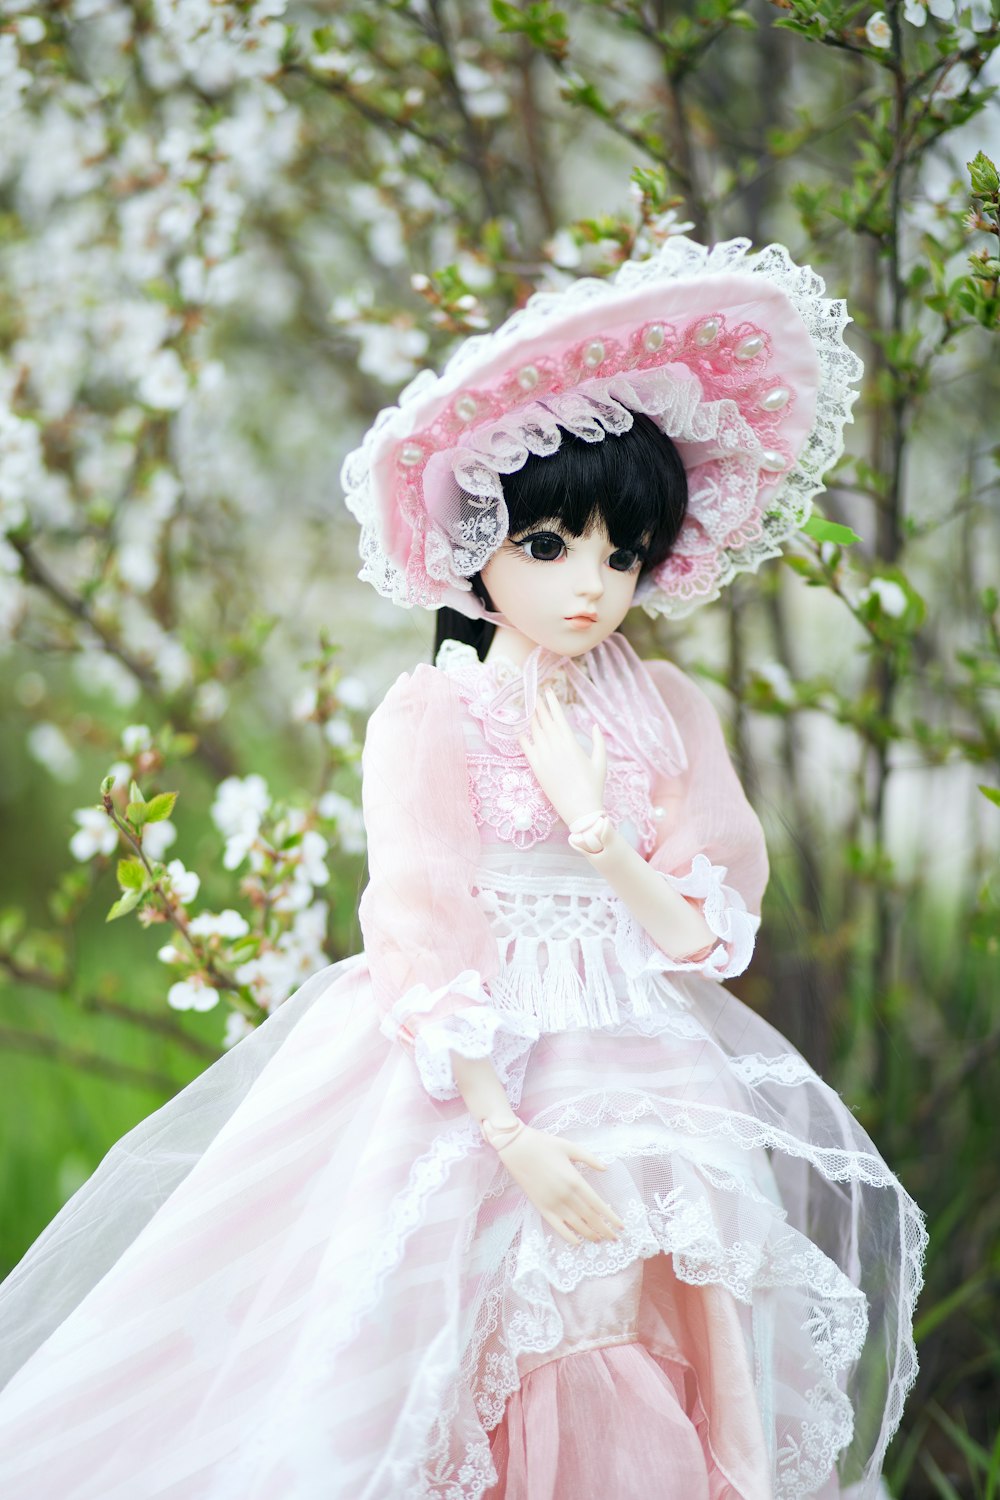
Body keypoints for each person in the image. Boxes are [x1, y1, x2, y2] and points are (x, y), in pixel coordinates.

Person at [0, 237, 925, 1499]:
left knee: (654, 1329)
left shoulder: (662, 704)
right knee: (483, 1346)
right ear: (482, 548)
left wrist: (597, 830)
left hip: (648, 1059)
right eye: (552, 546)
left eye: (621, 553)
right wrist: (504, 1129)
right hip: (477, 1075)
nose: (591, 584)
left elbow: (710, 934)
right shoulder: (435, 715)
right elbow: (423, 929)